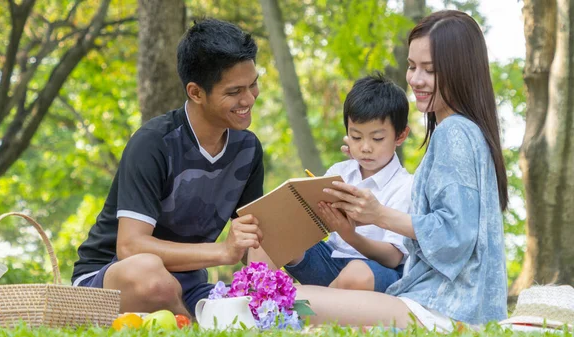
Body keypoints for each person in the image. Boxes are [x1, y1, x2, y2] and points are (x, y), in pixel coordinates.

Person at [294, 10, 509, 331]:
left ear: (460, 71)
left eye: (429, 70)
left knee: (291, 302)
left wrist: (377, 214)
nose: (415, 79)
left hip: (443, 309)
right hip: (443, 303)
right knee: (300, 301)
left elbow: (455, 236)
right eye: (411, 66)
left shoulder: (455, 133)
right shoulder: (464, 131)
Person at [71, 19, 265, 317]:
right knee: (150, 276)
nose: (249, 98)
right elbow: (130, 248)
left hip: (190, 285)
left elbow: (254, 246)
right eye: (234, 91)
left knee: (281, 308)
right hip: (112, 280)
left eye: (253, 84)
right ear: (196, 92)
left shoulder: (248, 149)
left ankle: (189, 319)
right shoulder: (153, 143)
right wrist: (223, 252)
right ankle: (193, 324)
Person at [280, 73, 413, 293]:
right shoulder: (339, 172)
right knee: (276, 232)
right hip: (330, 262)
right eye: (356, 137)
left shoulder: (406, 186)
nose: (365, 147)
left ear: (400, 136)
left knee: (356, 273)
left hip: (374, 273)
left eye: (377, 138)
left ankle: (312, 307)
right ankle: (254, 300)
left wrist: (350, 234)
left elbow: (392, 257)